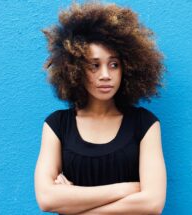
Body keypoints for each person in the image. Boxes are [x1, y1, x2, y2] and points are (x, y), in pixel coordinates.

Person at [34, 1, 167, 214]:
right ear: (74, 69)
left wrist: (74, 203)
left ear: (127, 68)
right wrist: (128, 188)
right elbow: (46, 199)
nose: (105, 75)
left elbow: (152, 204)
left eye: (113, 64)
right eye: (93, 65)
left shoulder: (144, 123)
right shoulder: (57, 125)